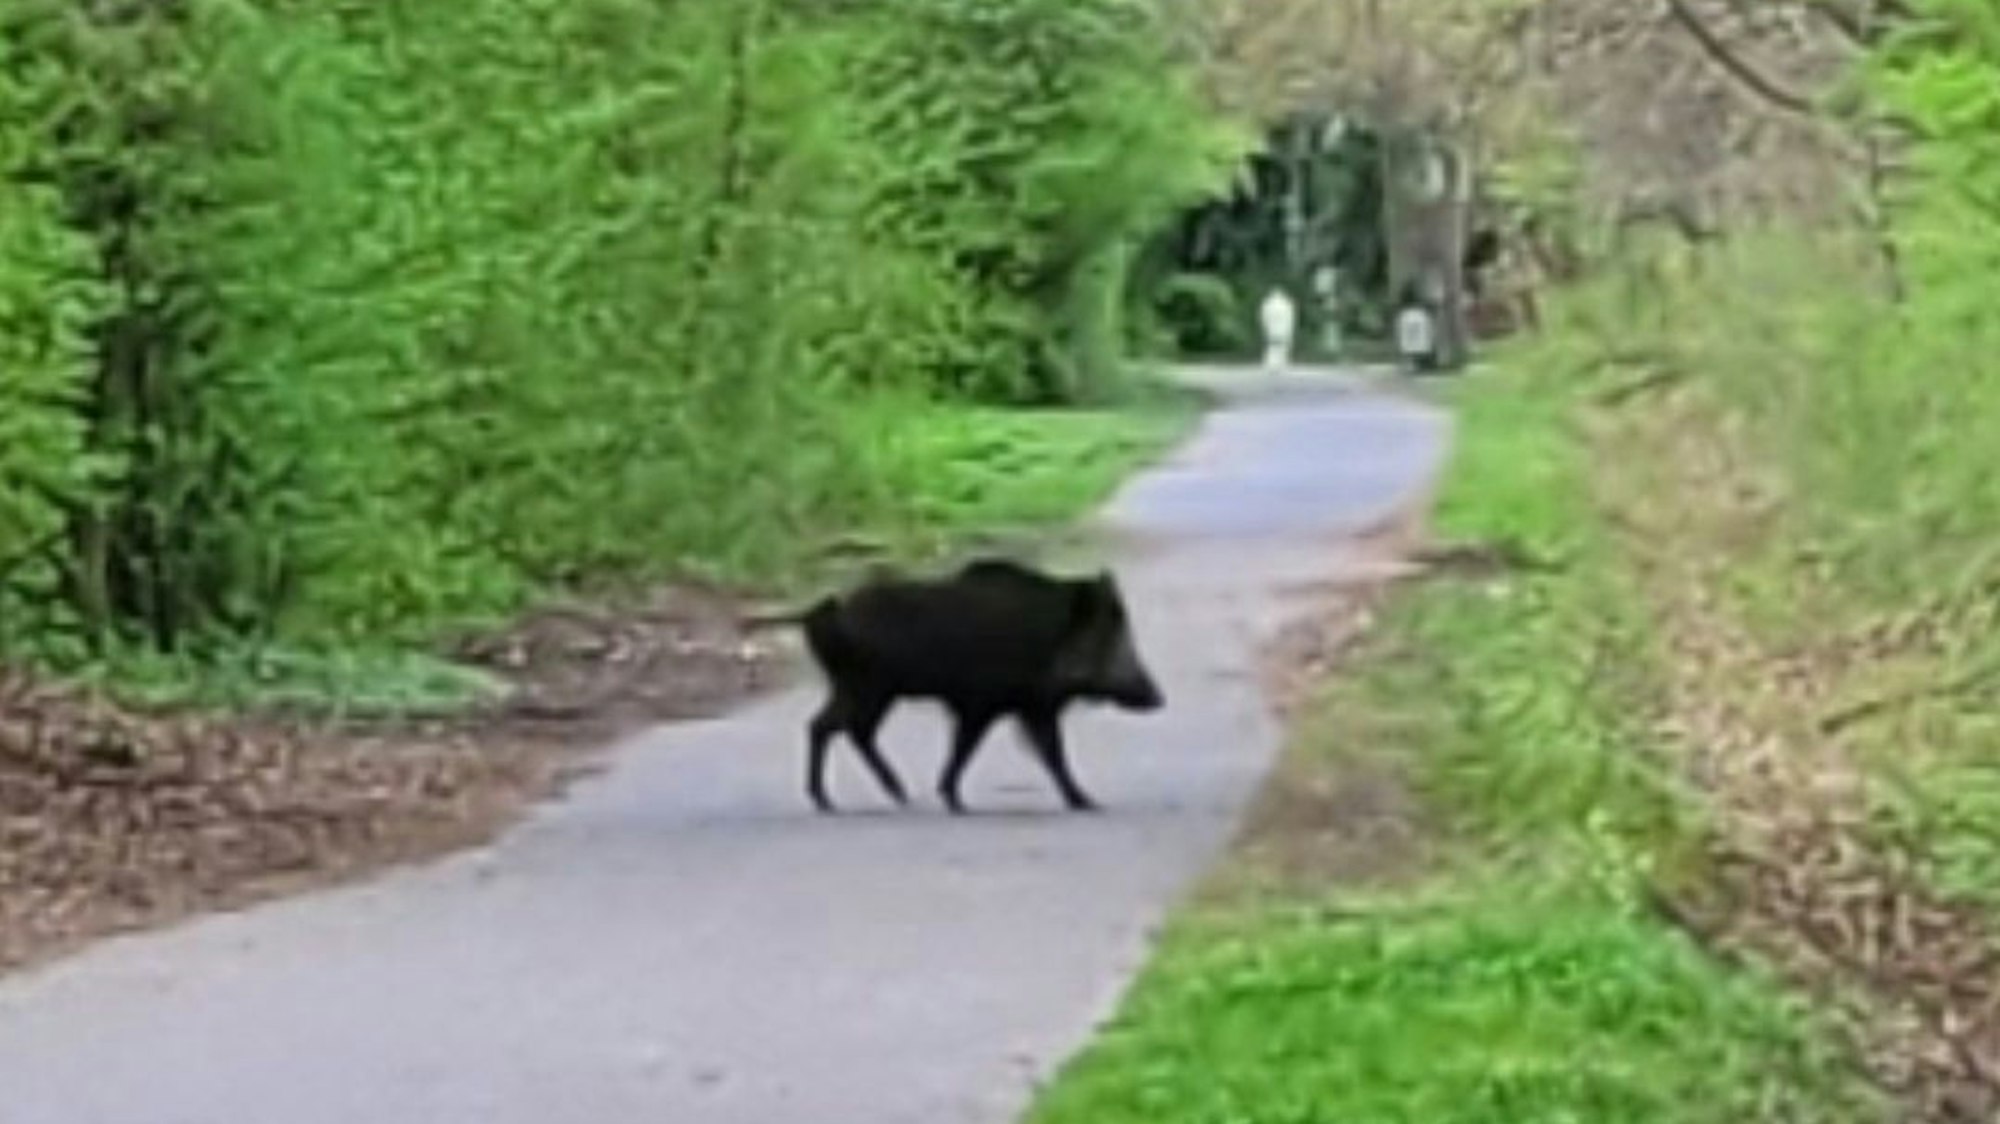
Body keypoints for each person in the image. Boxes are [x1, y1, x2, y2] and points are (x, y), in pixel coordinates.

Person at [1394, 283, 1436, 373]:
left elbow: (1401, 335)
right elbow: (1429, 333)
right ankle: (1418, 363)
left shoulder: (1404, 316)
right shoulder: (1422, 314)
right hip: (1420, 348)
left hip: (1412, 348)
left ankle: (1414, 363)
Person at [1258, 286, 1297, 374]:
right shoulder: (1286, 304)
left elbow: (1264, 316)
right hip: (1283, 329)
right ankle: (1281, 363)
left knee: (1272, 346)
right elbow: (1290, 318)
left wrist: (1265, 327)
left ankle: (1271, 364)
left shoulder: (1268, 304)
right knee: (1281, 346)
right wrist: (1289, 329)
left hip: (1272, 328)